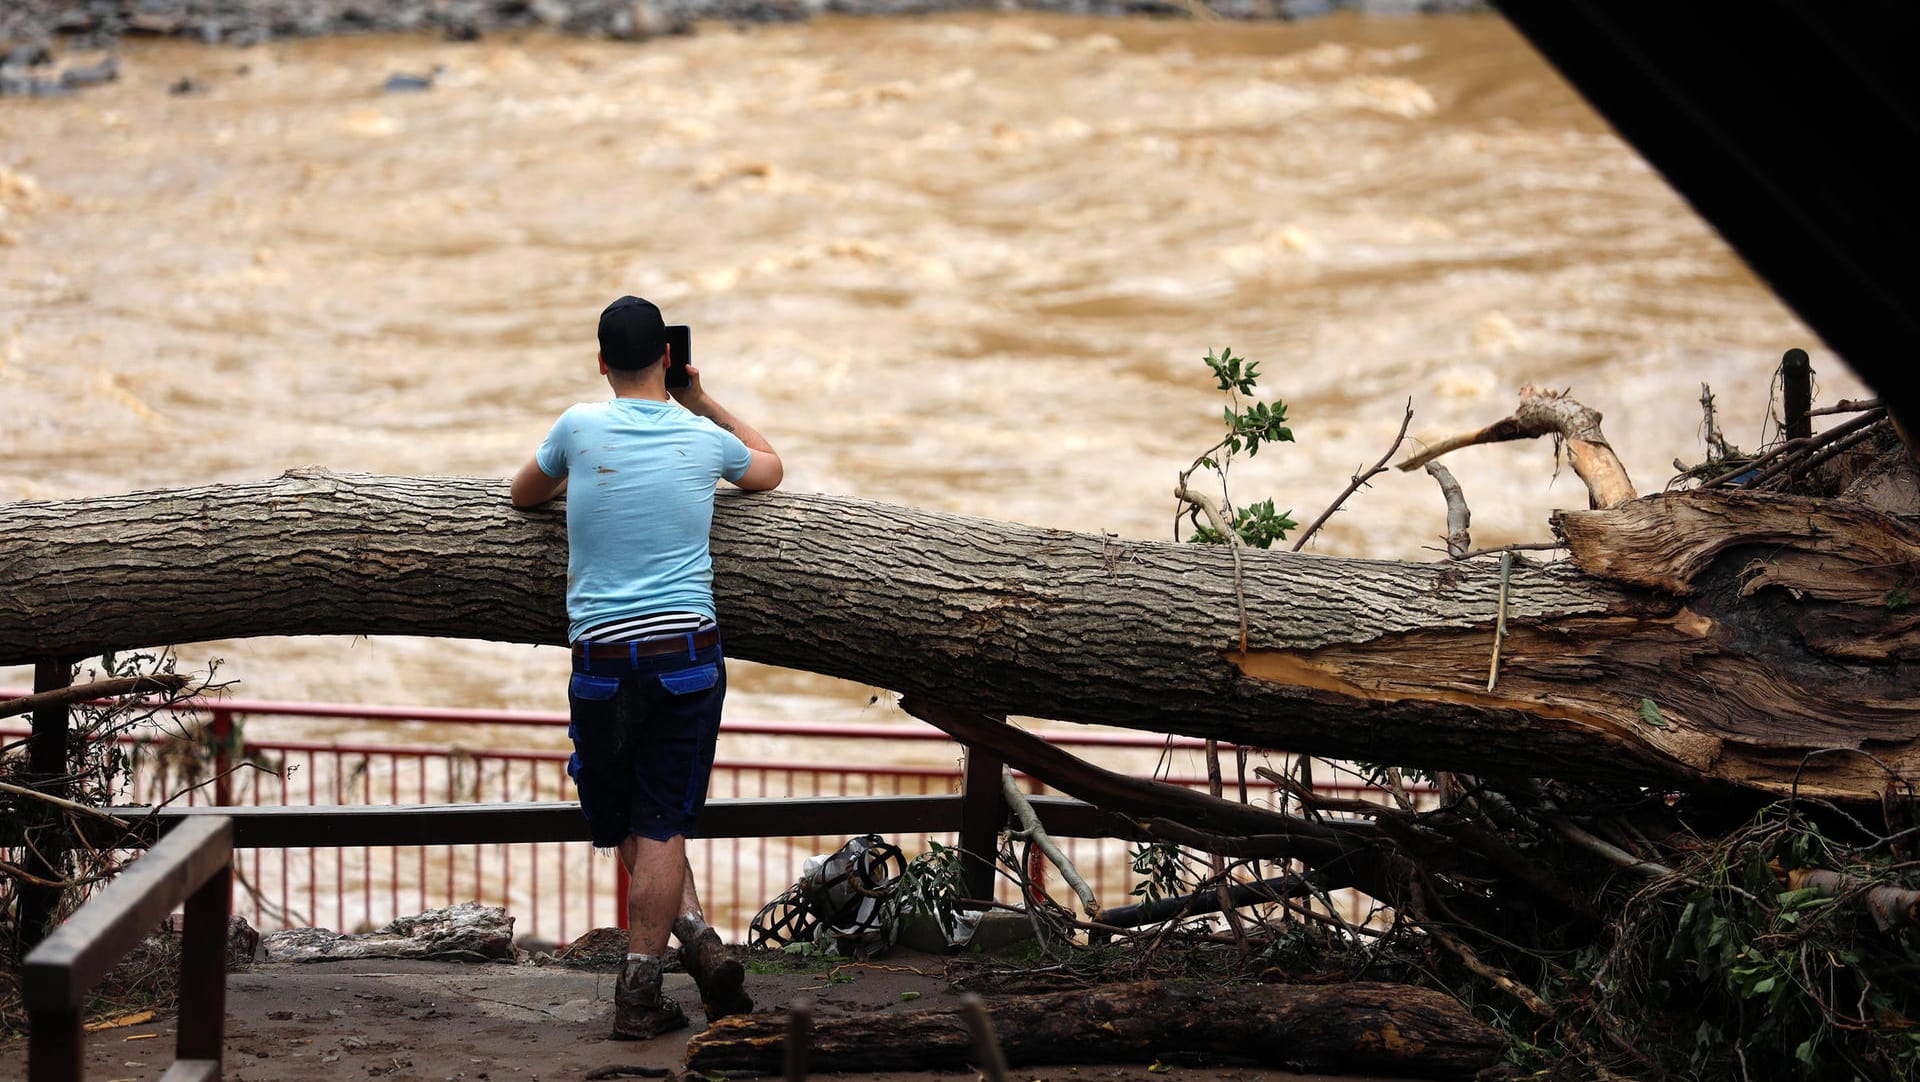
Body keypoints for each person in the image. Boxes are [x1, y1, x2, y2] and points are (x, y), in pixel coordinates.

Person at [511, 295, 783, 1040]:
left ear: (601, 363)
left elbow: (521, 494)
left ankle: (640, 991)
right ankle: (693, 937)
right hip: (687, 658)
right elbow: (770, 468)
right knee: (655, 818)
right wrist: (703, 401)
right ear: (668, 356)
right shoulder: (701, 440)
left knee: (632, 816)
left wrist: (581, 481)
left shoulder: (577, 427)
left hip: (601, 657)